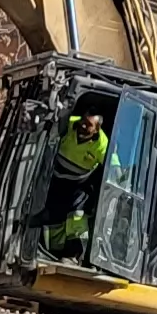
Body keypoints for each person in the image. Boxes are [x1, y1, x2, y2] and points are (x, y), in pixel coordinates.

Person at [41, 102, 111, 258]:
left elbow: (114, 168)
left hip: (76, 186)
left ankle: (74, 255)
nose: (83, 126)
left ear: (97, 129)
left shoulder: (102, 145)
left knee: (77, 216)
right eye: (83, 121)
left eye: (88, 124)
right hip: (54, 180)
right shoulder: (69, 125)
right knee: (52, 216)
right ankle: (52, 252)